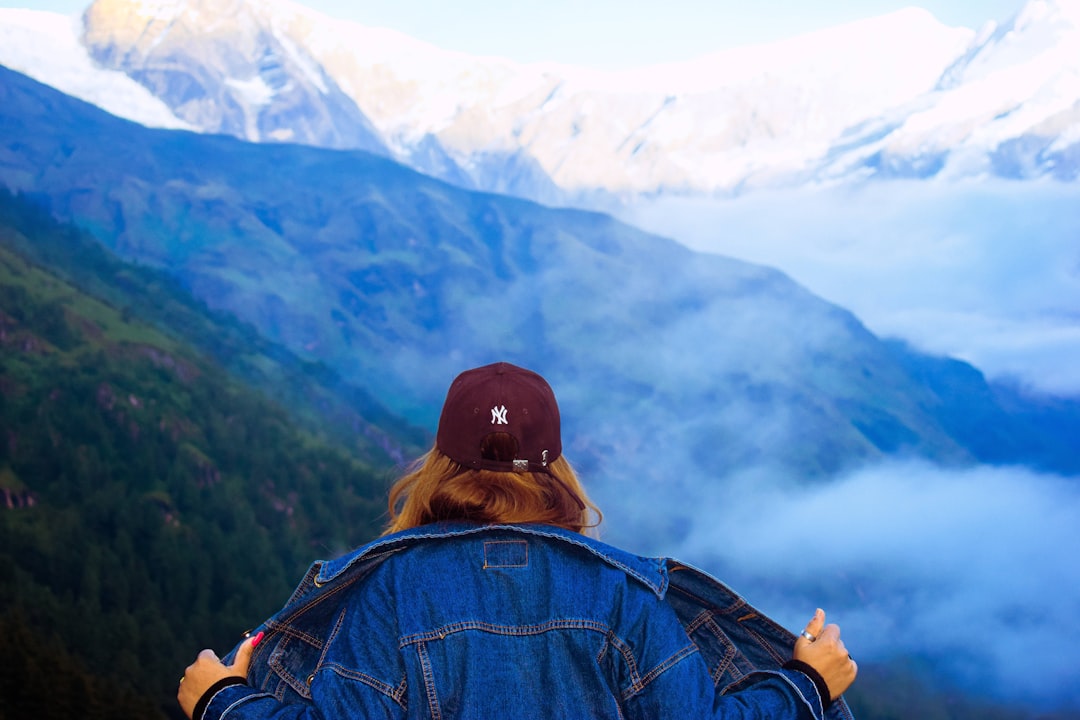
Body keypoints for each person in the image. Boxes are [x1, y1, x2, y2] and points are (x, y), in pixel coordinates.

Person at [178, 361, 857, 720]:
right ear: (556, 464)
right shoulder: (620, 594)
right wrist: (805, 684)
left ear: (440, 462)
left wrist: (221, 700)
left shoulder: (391, 593)